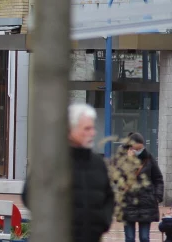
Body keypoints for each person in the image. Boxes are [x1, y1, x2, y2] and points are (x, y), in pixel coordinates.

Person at [22, 103, 114, 242]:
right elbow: (29, 195)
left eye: (92, 128)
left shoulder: (98, 163)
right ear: (71, 130)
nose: (93, 133)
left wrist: (103, 222)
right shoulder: (52, 162)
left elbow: (109, 196)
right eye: (87, 128)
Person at [118, 132, 164, 242]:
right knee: (129, 238)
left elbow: (158, 178)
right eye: (136, 148)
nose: (139, 150)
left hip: (146, 202)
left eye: (141, 148)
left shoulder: (148, 158)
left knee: (144, 237)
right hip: (128, 202)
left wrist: (157, 196)